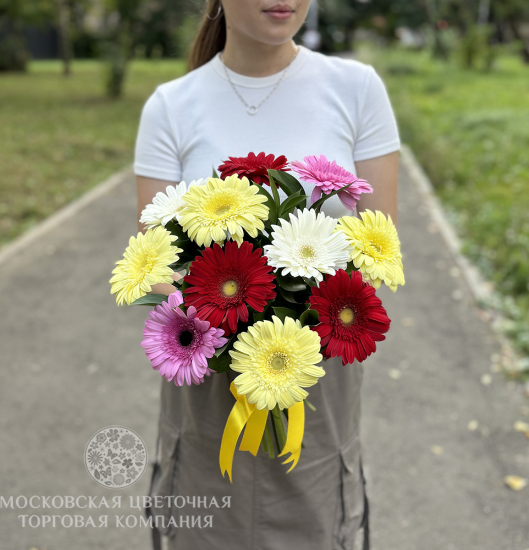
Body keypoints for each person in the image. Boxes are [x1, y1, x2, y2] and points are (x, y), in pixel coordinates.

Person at [134, 1, 400, 549]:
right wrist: (234, 324)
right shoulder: (171, 106)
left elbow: (380, 248)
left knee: (317, 522)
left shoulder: (357, 87)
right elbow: (154, 263)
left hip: (316, 375)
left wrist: (294, 321)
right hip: (208, 376)